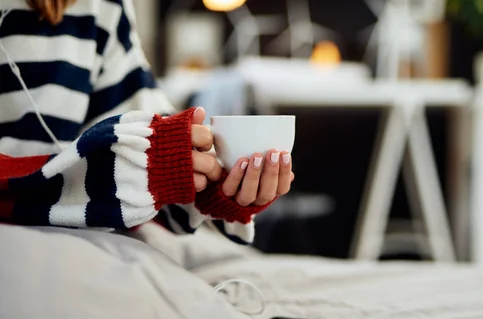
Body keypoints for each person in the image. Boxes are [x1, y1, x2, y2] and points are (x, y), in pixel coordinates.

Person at [0, 0, 293, 245]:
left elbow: (145, 174)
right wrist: (109, 175)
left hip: (74, 248)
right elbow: (124, 172)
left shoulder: (98, 7)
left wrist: (214, 189)